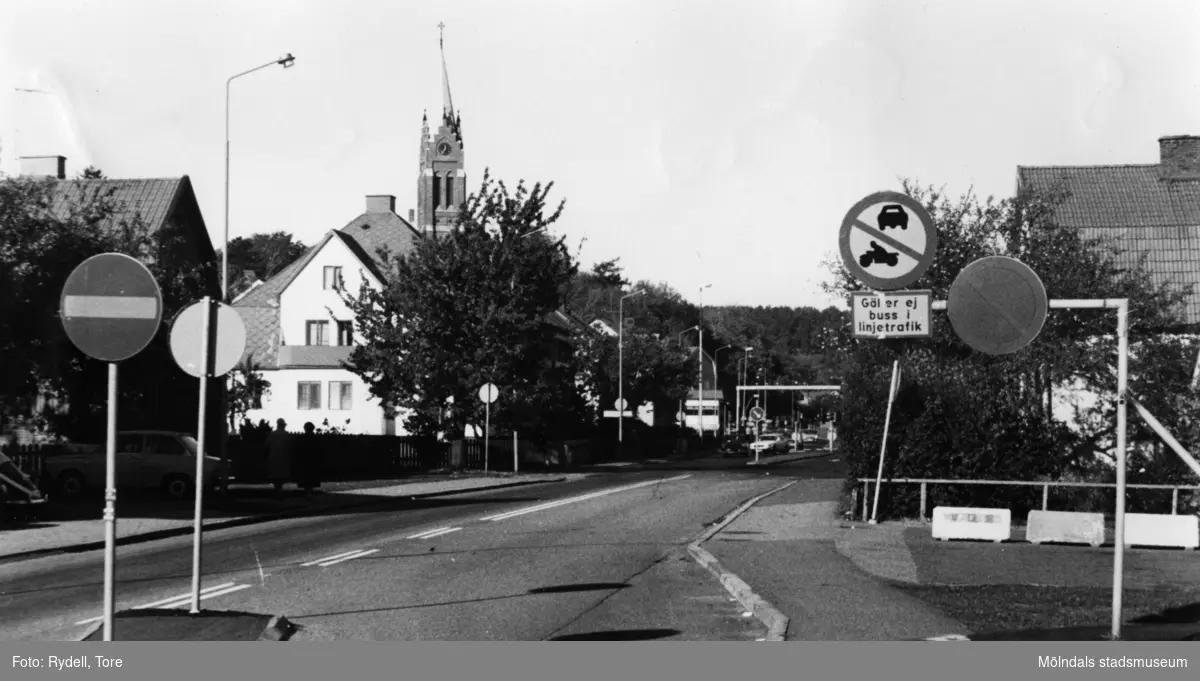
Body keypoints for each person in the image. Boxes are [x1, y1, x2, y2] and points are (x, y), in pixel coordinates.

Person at [264, 418, 292, 497]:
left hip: (273, 457)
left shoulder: (272, 434)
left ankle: (277, 491)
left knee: (275, 475)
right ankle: (279, 491)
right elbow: (290, 446)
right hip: (283, 457)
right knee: (281, 475)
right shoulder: (286, 434)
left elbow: (266, 445)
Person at [297, 422, 322, 496]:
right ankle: (309, 492)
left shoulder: (302, 438)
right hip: (312, 461)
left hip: (305, 461)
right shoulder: (315, 438)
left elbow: (299, 449)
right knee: (310, 477)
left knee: (306, 477)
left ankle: (308, 492)